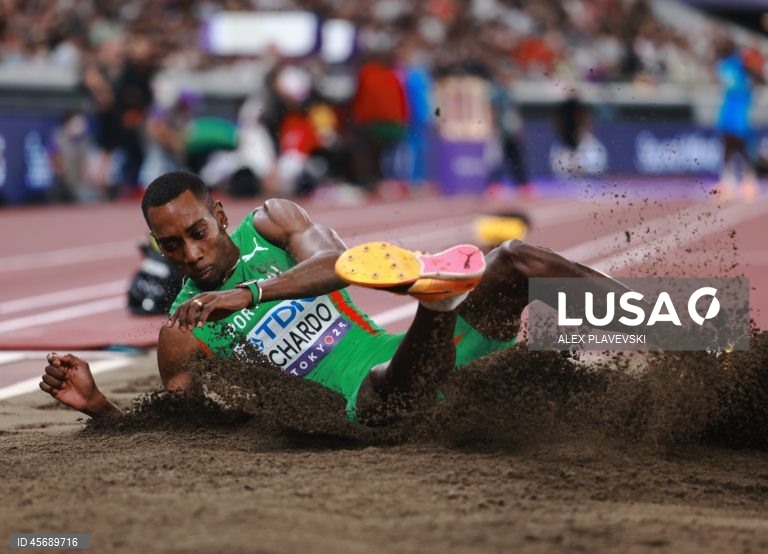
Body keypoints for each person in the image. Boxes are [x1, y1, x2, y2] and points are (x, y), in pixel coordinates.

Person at [40, 171, 633, 425]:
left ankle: (691, 330)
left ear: (219, 215)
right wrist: (99, 406)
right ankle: (438, 300)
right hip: (370, 401)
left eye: (198, 233)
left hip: (423, 352)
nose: (191, 255)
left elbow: (345, 266)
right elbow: (182, 423)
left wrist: (248, 294)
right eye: (172, 247)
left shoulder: (272, 223)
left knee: (518, 261)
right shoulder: (183, 333)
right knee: (381, 381)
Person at [714, 38, 764, 202]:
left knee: (742, 145)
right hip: (728, 107)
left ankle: (749, 180)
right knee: (727, 144)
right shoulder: (721, 64)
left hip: (742, 107)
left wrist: (753, 67)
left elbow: (757, 74)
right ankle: (727, 181)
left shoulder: (741, 61)